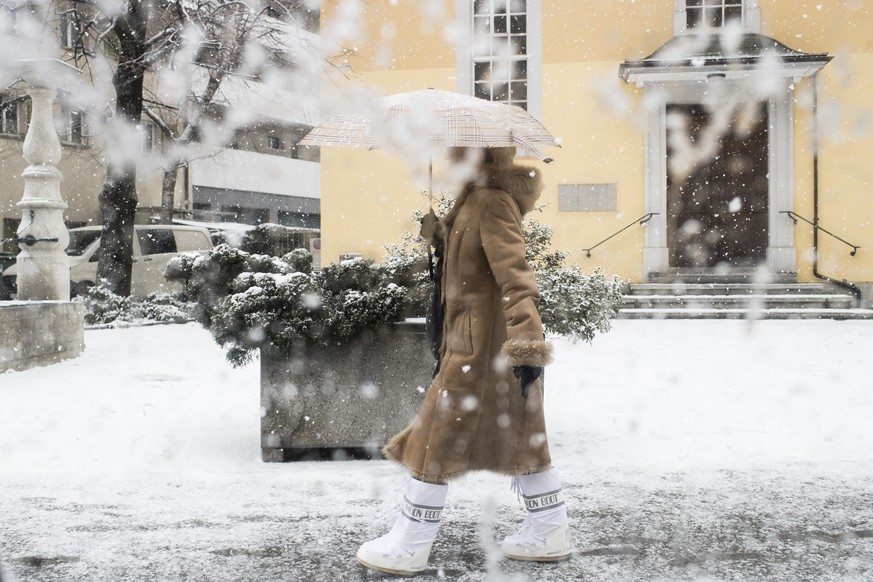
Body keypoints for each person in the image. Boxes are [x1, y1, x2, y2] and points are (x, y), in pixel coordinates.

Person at [356, 146, 571, 575]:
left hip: (484, 352)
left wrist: (527, 345)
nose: (450, 157)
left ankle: (412, 541)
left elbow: (516, 277)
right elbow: (470, 273)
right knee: (522, 436)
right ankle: (550, 527)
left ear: (478, 156)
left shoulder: (490, 202)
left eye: (458, 151)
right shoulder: (472, 201)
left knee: (433, 439)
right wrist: (440, 235)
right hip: (472, 346)